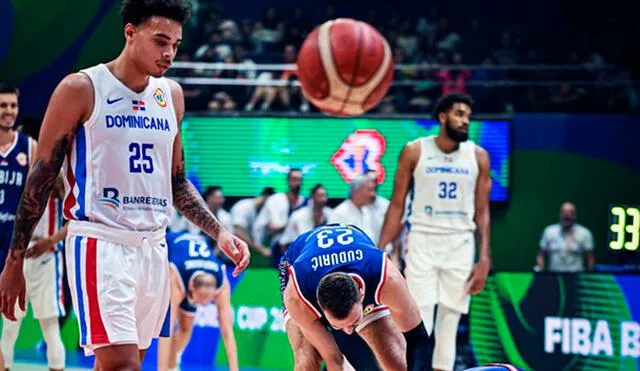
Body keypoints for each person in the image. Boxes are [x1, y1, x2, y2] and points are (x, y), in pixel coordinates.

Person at [0, 2, 250, 370]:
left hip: (154, 249)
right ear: (130, 32)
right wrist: (14, 260)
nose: (169, 54)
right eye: (160, 41)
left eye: (176, 45)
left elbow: (177, 182)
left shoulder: (171, 95)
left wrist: (219, 232)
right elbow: (40, 178)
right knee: (123, 366)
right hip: (101, 243)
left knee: (126, 365)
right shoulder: (81, 89)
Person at [378, 93, 492, 371]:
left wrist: (484, 258)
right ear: (443, 116)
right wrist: (379, 250)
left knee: (450, 323)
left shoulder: (478, 156)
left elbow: (483, 213)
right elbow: (396, 205)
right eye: (459, 114)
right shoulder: (415, 150)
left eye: (467, 116)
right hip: (422, 240)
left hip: (461, 243)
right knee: (419, 319)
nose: (465, 121)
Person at [280, 224, 431, 371]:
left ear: (362, 295)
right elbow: (334, 361)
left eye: (353, 323)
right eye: (338, 326)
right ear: (319, 304)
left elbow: (417, 338)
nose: (348, 331)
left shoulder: (386, 278)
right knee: (308, 362)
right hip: (298, 262)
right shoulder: (297, 297)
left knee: (398, 361)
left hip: (361, 262)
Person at [1, 177, 67, 371]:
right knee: (11, 323)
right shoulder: (25, 177)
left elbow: (73, 223)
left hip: (44, 255)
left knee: (48, 326)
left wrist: (51, 240)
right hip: (22, 256)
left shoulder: (58, 179)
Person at [158, 231, 237, 371]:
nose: (202, 305)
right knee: (168, 323)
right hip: (165, 245)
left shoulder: (222, 282)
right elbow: (167, 330)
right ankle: (168, 366)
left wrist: (234, 369)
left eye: (208, 300)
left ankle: (173, 362)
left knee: (186, 328)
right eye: (200, 300)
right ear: (191, 288)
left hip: (194, 259)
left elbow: (227, 331)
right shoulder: (176, 277)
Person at [0, 83, 37, 371]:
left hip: (13, 244)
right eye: (3, 106)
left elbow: (35, 196)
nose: (9, 111)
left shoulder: (29, 147)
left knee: (10, 316)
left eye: (12, 105)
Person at [536, 202, 594, 272]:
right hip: (554, 275)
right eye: (564, 212)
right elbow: (541, 254)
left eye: (570, 213)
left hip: (576, 275)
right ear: (560, 214)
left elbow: (590, 257)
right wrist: (541, 270)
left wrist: (589, 273)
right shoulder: (549, 231)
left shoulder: (584, 233)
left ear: (575, 215)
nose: (567, 215)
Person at [230, 186, 275, 257]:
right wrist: (261, 249)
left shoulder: (260, 212)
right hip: (229, 251)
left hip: (240, 253)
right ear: (266, 197)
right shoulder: (243, 207)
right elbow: (238, 232)